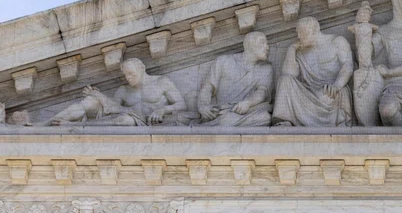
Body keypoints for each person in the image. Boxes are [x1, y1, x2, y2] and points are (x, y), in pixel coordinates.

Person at [47, 58, 185, 126]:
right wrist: (99, 96)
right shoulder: (123, 90)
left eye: (131, 73)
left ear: (142, 68)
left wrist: (163, 110)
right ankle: (47, 123)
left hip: (145, 121)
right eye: (125, 75)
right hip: (128, 115)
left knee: (124, 120)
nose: (128, 78)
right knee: (91, 101)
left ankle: (75, 126)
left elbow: (181, 104)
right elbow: (112, 109)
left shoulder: (161, 82)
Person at [272, 17, 354, 127]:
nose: (299, 36)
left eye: (302, 32)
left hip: (331, 92)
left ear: (315, 29)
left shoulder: (337, 42)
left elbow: (347, 65)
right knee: (284, 80)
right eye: (298, 33)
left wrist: (336, 85)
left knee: (333, 94)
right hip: (308, 93)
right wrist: (292, 48)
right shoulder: (301, 51)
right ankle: (286, 121)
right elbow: (289, 73)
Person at [196, 31, 273, 126]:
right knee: (226, 119)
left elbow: (262, 92)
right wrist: (202, 105)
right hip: (223, 112)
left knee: (265, 117)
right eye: (262, 42)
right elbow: (208, 87)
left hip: (247, 113)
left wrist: (247, 103)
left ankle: (222, 125)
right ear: (249, 44)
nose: (267, 47)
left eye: (267, 43)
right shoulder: (224, 61)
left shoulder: (266, 69)